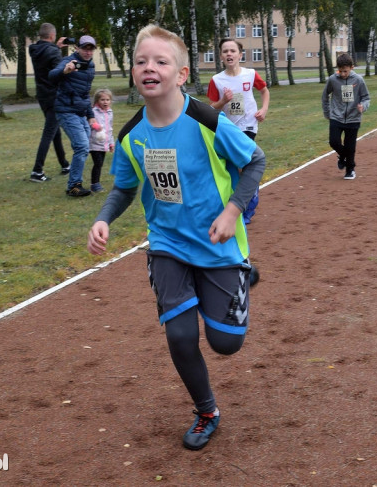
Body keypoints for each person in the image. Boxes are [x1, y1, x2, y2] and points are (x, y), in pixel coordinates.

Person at [87, 25, 265, 451]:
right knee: (181, 336)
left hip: (217, 241)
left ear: (182, 74)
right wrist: (104, 218)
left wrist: (232, 211)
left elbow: (254, 161)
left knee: (225, 344)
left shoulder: (206, 119)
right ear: (133, 72)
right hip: (167, 244)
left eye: (160, 61)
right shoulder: (131, 136)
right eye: (141, 61)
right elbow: (125, 188)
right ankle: (207, 411)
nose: (149, 67)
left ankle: (237, 279)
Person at [207, 39, 270, 223]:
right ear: (220, 56)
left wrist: (263, 110)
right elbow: (211, 109)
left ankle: (249, 204)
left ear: (240, 55)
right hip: (227, 129)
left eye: (232, 51)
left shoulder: (250, 74)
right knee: (233, 168)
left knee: (245, 164)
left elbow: (264, 91)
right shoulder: (217, 80)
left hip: (249, 125)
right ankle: (247, 194)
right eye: (225, 51)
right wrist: (223, 101)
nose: (229, 54)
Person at [50, 35, 101, 197]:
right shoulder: (69, 61)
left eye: (90, 48)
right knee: (82, 146)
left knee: (83, 148)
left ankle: (75, 182)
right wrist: (65, 71)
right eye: (84, 48)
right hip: (65, 110)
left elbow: (85, 94)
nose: (87, 52)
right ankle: (74, 186)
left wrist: (90, 115)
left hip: (80, 111)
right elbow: (52, 76)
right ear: (77, 48)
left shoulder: (90, 66)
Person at [28, 23, 71, 182]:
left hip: (42, 95)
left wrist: (56, 48)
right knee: (49, 132)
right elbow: (59, 72)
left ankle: (64, 164)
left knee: (55, 132)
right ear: (52, 36)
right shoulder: (52, 52)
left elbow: (47, 60)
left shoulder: (34, 50)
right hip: (54, 96)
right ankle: (37, 171)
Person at [322, 52, 370, 180]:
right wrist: (328, 113)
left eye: (345, 71)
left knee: (350, 146)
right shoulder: (333, 79)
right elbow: (325, 96)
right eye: (340, 71)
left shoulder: (359, 80)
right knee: (334, 141)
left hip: (353, 118)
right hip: (336, 116)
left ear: (351, 68)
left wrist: (363, 106)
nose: (343, 74)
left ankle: (350, 170)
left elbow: (366, 98)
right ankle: (344, 157)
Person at [88, 88, 114, 193]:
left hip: (104, 143)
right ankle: (95, 184)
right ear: (97, 101)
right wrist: (94, 125)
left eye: (107, 100)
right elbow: (89, 122)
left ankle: (96, 183)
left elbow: (110, 129)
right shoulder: (93, 111)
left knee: (100, 163)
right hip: (94, 143)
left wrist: (111, 143)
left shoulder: (110, 112)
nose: (105, 102)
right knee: (98, 163)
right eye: (102, 100)